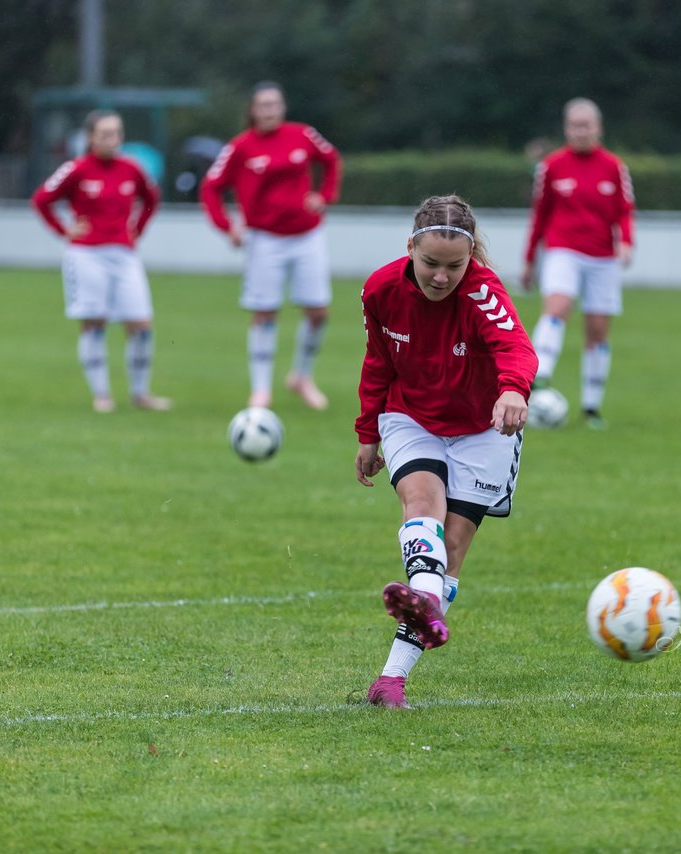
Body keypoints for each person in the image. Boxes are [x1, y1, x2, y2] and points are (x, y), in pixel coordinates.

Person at [355, 195, 539, 709]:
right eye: (430, 263)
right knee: (421, 504)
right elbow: (378, 361)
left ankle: (390, 679)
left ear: (471, 258)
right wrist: (367, 430)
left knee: (450, 554)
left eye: (454, 266)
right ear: (410, 248)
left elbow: (516, 349)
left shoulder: (483, 291)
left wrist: (512, 390)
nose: (441, 277)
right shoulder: (380, 289)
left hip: (484, 425)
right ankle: (425, 605)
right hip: (410, 414)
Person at [200, 81, 342, 410]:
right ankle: (261, 389)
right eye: (262, 105)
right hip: (264, 240)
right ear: (252, 110)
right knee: (264, 313)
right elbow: (211, 188)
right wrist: (227, 226)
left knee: (318, 311)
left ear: (283, 107)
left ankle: (301, 377)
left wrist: (325, 196)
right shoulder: (240, 147)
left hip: (308, 235)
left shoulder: (303, 134)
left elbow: (331, 159)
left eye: (274, 104)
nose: (269, 110)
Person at [31, 110, 171, 413]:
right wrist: (64, 230)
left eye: (117, 133)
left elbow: (151, 198)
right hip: (86, 254)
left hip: (124, 254)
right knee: (95, 323)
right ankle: (102, 394)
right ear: (91, 138)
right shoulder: (76, 169)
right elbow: (41, 199)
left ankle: (140, 393)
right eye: (105, 134)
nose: (112, 140)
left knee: (141, 324)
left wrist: (138, 229)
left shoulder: (132, 169)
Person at [522, 97, 635, 430]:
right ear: (566, 128)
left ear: (598, 128)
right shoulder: (552, 166)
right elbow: (539, 215)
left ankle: (591, 407)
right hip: (563, 249)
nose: (581, 131)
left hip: (603, 256)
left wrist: (626, 241)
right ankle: (538, 377)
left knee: (597, 330)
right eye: (575, 125)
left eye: (587, 125)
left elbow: (624, 210)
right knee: (557, 307)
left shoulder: (615, 166)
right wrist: (530, 260)